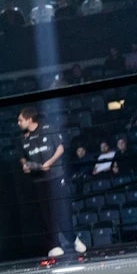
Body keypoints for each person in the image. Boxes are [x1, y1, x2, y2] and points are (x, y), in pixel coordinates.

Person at [18, 106, 83, 258]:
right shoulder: (21, 138)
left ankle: (72, 238)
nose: (18, 123)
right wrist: (25, 165)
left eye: (20, 120)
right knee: (45, 214)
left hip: (55, 176)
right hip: (39, 180)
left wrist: (50, 162)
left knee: (61, 210)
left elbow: (60, 148)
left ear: (29, 119)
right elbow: (22, 157)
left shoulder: (48, 129)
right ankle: (54, 244)